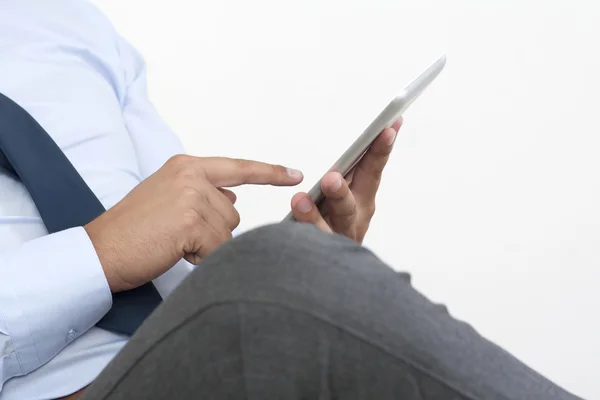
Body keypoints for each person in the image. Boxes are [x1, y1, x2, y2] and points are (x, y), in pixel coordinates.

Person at [0, 1, 583, 400]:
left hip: (179, 364)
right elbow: (127, 247)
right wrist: (97, 255)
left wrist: (321, 282)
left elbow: (176, 245)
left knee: (291, 276)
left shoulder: (63, 22)